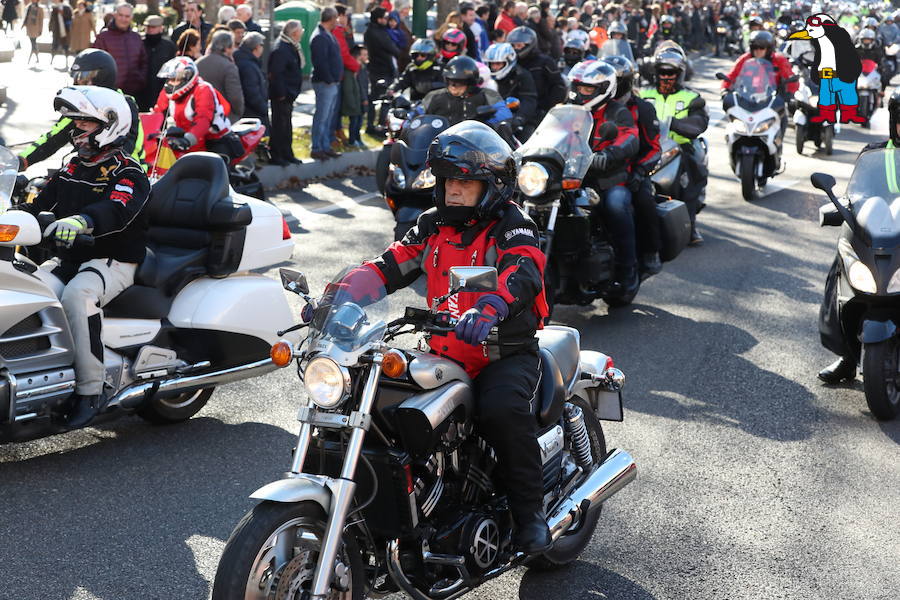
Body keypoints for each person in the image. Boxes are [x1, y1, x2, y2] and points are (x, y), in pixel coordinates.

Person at [350, 120, 551, 553]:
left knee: (500, 412)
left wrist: (494, 303)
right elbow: (390, 265)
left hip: (502, 355)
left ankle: (530, 515)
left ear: (491, 186)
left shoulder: (512, 225)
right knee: (380, 403)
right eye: (447, 181)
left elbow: (524, 270)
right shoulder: (431, 225)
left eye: (465, 182)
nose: (453, 190)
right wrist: (340, 293)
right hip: (444, 354)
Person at [15, 86, 149, 428]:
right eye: (74, 124)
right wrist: (13, 212)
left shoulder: (129, 173)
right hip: (69, 259)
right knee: (28, 294)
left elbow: (115, 209)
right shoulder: (72, 168)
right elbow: (38, 205)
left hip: (112, 260)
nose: (75, 132)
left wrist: (82, 220)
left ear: (110, 125)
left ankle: (91, 390)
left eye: (84, 124)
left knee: (77, 297)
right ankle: (41, 376)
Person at [818, 89, 900, 384]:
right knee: (841, 272)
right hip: (878, 238)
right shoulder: (874, 154)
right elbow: (857, 194)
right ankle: (846, 356)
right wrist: (840, 208)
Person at [568, 60, 640, 294]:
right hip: (573, 178)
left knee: (616, 206)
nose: (582, 93)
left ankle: (627, 269)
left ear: (604, 89)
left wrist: (607, 155)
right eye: (579, 87)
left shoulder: (617, 112)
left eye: (588, 89)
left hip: (609, 180)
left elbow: (629, 137)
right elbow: (548, 132)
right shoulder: (569, 110)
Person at [19, 48, 144, 170]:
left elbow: (129, 145)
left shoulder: (125, 105)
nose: (79, 83)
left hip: (127, 173)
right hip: (88, 169)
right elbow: (54, 138)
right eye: (76, 78)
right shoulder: (82, 106)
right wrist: (22, 160)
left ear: (103, 76)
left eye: (84, 77)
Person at [640, 48, 708, 245]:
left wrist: (677, 124)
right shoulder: (643, 93)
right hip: (647, 147)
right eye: (662, 72)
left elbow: (699, 122)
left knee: (693, 173)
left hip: (679, 147)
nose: (666, 77)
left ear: (680, 74)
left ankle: (690, 224)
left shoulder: (692, 97)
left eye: (671, 73)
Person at [602, 54, 662, 276]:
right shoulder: (593, 106)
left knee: (644, 200)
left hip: (631, 171)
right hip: (593, 172)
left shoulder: (642, 109)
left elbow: (654, 148)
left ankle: (649, 252)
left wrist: (639, 171)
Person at [152, 56, 239, 158]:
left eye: (177, 78)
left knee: (216, 168)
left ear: (188, 76)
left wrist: (187, 140)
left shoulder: (203, 89)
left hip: (214, 137)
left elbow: (203, 120)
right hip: (186, 136)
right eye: (170, 78)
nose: (172, 82)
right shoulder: (168, 91)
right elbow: (158, 112)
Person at [418, 55, 512, 128]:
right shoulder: (433, 96)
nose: (454, 85)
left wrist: (486, 124)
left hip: (476, 145)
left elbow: (504, 115)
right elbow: (416, 116)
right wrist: (408, 115)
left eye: (459, 81)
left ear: (470, 81)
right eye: (450, 80)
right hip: (438, 145)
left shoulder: (487, 94)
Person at [507, 26, 566, 117]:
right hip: (514, 110)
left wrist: (546, 109)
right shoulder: (509, 63)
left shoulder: (545, 62)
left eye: (519, 45)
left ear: (530, 44)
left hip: (539, 111)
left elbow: (558, 86)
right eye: (513, 46)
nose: (516, 49)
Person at [268, 20, 304, 166]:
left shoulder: (290, 47)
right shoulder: (281, 49)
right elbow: (276, 73)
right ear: (294, 33)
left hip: (289, 94)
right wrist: (282, 94)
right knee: (279, 125)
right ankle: (277, 155)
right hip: (282, 95)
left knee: (286, 125)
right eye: (300, 31)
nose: (302, 33)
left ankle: (287, 153)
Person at [484, 42, 538, 139]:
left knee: (526, 144)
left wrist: (519, 118)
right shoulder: (485, 78)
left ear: (509, 61)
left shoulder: (522, 75)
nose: (495, 67)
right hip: (490, 121)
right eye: (492, 64)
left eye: (498, 64)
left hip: (516, 120)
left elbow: (529, 100)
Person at [93, 3, 146, 99]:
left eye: (127, 16)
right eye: (121, 15)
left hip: (134, 92)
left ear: (131, 18)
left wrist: (140, 78)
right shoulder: (103, 37)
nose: (123, 19)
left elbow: (143, 62)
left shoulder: (136, 37)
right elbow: (95, 64)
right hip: (110, 93)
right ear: (115, 15)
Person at [309, 7, 343, 160]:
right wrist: (330, 79)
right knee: (322, 117)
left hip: (331, 82)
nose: (338, 21)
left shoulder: (327, 34)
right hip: (324, 83)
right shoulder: (319, 36)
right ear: (331, 19)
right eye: (336, 19)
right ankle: (316, 147)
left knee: (328, 117)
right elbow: (320, 62)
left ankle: (325, 145)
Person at [722, 30, 798, 96]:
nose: (758, 50)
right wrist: (724, 89)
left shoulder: (779, 59)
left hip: (774, 99)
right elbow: (731, 75)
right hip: (746, 97)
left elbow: (791, 78)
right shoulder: (745, 59)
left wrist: (790, 94)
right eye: (755, 47)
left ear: (768, 49)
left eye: (762, 48)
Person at [364, 7, 399, 134]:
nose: (387, 20)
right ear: (378, 19)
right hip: (381, 69)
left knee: (376, 98)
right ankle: (378, 126)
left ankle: (372, 125)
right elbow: (393, 49)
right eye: (385, 18)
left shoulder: (372, 31)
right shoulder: (377, 32)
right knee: (384, 99)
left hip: (377, 68)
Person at [197, 30, 244, 123]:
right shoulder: (229, 67)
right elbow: (235, 96)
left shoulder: (198, 64)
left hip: (201, 117)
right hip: (224, 119)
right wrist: (239, 111)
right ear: (227, 48)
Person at [333, 4, 360, 148]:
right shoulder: (337, 31)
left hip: (344, 72)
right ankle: (334, 133)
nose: (346, 19)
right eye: (344, 16)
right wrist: (356, 66)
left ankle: (337, 131)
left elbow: (351, 48)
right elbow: (344, 53)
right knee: (335, 108)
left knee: (337, 106)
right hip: (342, 73)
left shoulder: (345, 31)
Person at [138, 15, 176, 111]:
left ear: (161, 28)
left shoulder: (169, 46)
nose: (150, 30)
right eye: (148, 27)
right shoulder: (139, 44)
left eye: (153, 27)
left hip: (162, 91)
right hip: (141, 92)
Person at [233, 32, 269, 130]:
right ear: (257, 47)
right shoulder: (248, 66)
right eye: (262, 45)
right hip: (252, 114)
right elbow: (251, 92)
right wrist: (263, 108)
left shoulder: (245, 60)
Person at [342, 45, 368, 149]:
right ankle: (353, 140)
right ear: (358, 56)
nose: (367, 56)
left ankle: (357, 139)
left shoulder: (362, 68)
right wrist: (363, 98)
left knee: (359, 121)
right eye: (364, 55)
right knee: (355, 121)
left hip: (361, 99)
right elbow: (355, 87)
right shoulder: (353, 70)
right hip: (357, 100)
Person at [48, 0, 73, 66]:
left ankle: (67, 61)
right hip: (56, 30)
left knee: (66, 46)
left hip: (65, 30)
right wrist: (50, 28)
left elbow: (70, 17)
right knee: (54, 45)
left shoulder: (67, 7)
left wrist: (62, 13)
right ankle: (51, 60)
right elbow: (51, 19)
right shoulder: (54, 8)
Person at [22, 0, 43, 65]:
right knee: (33, 42)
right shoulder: (29, 7)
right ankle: (36, 54)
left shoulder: (40, 8)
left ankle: (34, 55)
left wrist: (40, 30)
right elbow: (26, 17)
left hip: (36, 29)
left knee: (33, 42)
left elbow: (41, 20)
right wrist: (23, 24)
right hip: (29, 28)